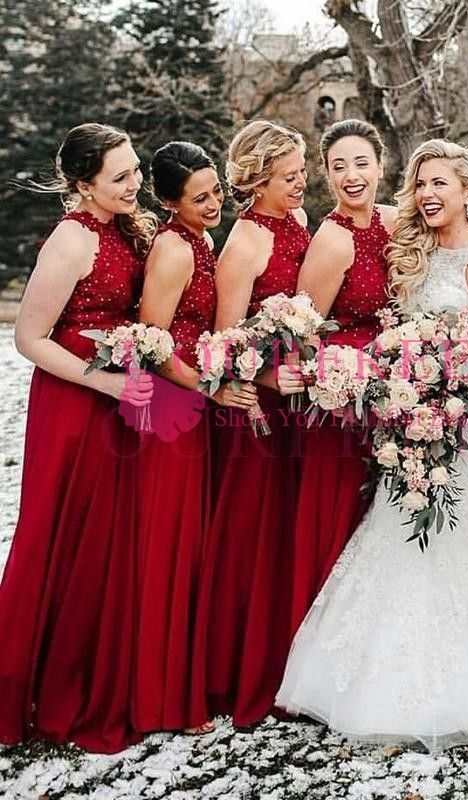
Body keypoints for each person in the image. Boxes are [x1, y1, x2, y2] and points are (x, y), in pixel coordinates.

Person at [276, 139, 468, 751]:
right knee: (395, 519)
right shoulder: (410, 245)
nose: (429, 195)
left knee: (458, 522)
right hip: (403, 412)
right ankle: (370, 676)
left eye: (442, 183)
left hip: (465, 420)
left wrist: (461, 380)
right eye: (421, 184)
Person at [0, 123, 155, 752]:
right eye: (120, 176)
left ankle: (99, 673)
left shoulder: (122, 227)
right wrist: (106, 383)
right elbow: (28, 338)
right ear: (84, 184)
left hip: (122, 400)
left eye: (135, 169)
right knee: (65, 532)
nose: (135, 182)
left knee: (109, 541)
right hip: (75, 404)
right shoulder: (70, 239)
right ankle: (41, 684)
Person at [191, 120, 308, 728]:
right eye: (289, 176)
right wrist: (265, 378)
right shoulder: (244, 244)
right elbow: (222, 342)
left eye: (303, 171)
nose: (301, 183)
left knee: (291, 532)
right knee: (253, 537)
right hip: (258, 411)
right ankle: (238, 667)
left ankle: (291, 657)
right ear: (258, 180)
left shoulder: (298, 222)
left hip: (302, 403)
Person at [133, 140, 252, 734]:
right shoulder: (174, 249)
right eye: (198, 197)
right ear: (168, 202)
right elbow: (151, 344)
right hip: (167, 408)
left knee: (192, 543)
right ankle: (161, 697)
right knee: (170, 546)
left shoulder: (202, 240)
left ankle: (185, 678)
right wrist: (211, 387)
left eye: (216, 191)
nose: (213, 203)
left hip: (193, 401)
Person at [287, 119, 397, 637]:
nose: (351, 175)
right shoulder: (331, 240)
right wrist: (343, 383)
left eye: (361, 163)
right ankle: (323, 641)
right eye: (338, 166)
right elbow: (305, 334)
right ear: (326, 175)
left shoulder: (396, 223)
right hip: (343, 404)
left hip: (399, 396)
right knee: (340, 521)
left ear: (380, 166)